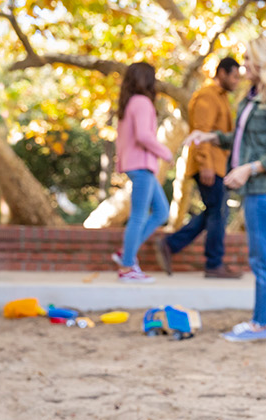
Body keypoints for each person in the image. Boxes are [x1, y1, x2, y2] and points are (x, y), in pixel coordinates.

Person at [185, 38, 266, 340]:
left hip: (265, 189)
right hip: (255, 189)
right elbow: (241, 139)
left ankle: (261, 323)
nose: (243, 65)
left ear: (263, 62)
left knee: (262, 257)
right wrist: (209, 137)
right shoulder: (250, 98)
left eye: (247, 59)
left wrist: (248, 169)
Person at [163, 57, 244, 279]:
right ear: (223, 73)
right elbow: (200, 132)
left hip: (218, 165)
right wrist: (206, 165)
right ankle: (213, 264)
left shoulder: (222, 99)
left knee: (215, 211)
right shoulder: (207, 96)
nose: (237, 81)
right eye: (235, 76)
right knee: (218, 211)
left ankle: (171, 244)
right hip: (208, 165)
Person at [110, 62, 174, 284]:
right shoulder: (142, 102)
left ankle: (125, 253)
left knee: (161, 211)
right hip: (141, 166)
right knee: (139, 215)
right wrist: (166, 153)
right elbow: (143, 137)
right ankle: (127, 267)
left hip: (137, 165)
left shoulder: (130, 103)